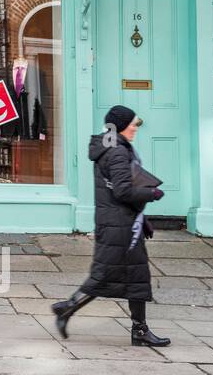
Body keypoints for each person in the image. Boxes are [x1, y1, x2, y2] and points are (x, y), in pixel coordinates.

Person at [51, 105, 170, 347]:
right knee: (106, 275)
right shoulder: (117, 151)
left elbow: (115, 190)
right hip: (119, 227)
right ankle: (67, 308)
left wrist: (141, 218)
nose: (136, 127)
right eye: (133, 123)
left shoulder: (111, 146)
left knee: (134, 277)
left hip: (121, 223)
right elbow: (123, 190)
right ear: (121, 125)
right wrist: (152, 193)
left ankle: (139, 330)